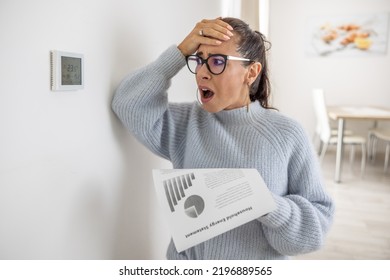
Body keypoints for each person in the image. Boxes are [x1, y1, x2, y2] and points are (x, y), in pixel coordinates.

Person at [112, 17, 334, 260]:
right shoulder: (185, 123)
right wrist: (181, 51)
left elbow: (316, 230)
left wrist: (266, 203)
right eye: (198, 61)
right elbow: (128, 103)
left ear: (251, 72)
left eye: (217, 62)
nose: (202, 73)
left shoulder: (287, 135)